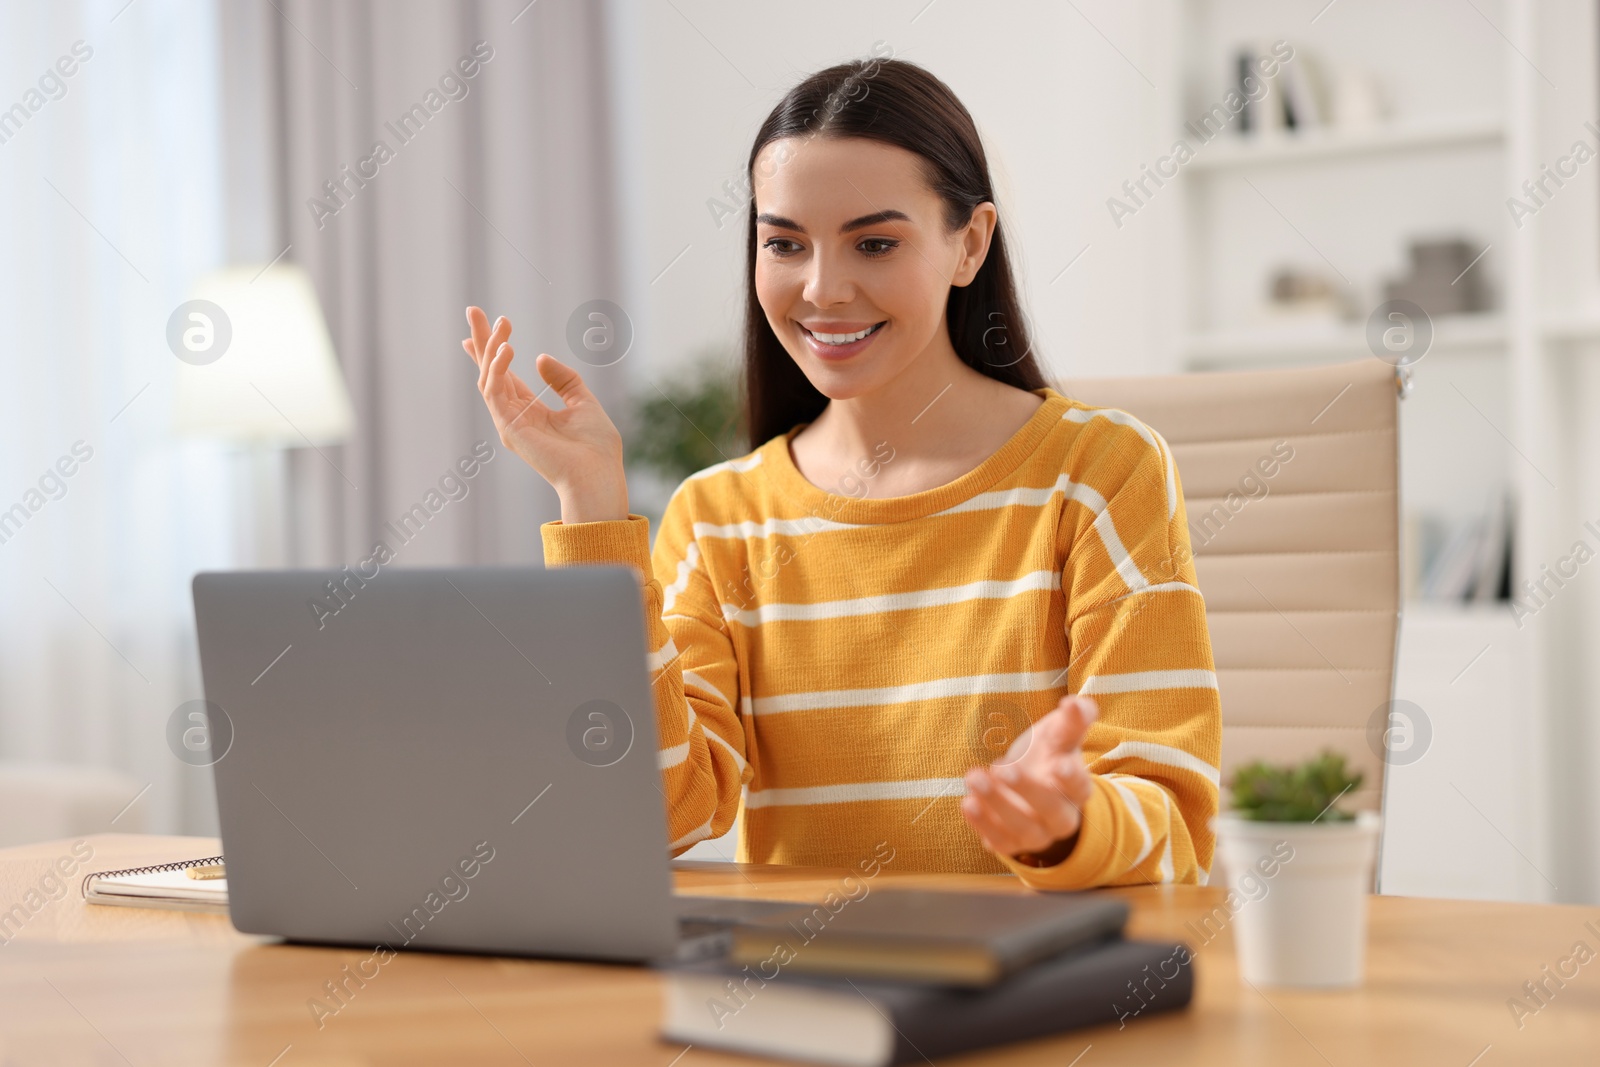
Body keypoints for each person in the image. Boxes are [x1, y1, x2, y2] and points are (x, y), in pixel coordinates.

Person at [459, 58, 1220, 889]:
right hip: (801, 992)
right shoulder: (719, 517)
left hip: (1025, 992)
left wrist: (1069, 823)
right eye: (784, 243)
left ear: (970, 243)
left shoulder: (1100, 473)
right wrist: (590, 502)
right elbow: (651, 810)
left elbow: (1171, 814)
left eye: (876, 243)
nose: (823, 289)